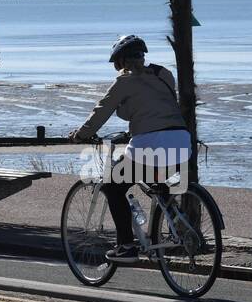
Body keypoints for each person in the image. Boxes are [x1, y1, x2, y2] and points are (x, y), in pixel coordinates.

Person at [71, 35, 192, 263]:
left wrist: (81, 134)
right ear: (142, 56)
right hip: (181, 141)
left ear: (120, 62)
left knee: (112, 186)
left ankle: (126, 246)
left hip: (151, 144)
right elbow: (156, 107)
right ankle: (168, 228)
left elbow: (101, 112)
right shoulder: (164, 74)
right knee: (159, 182)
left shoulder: (123, 83)